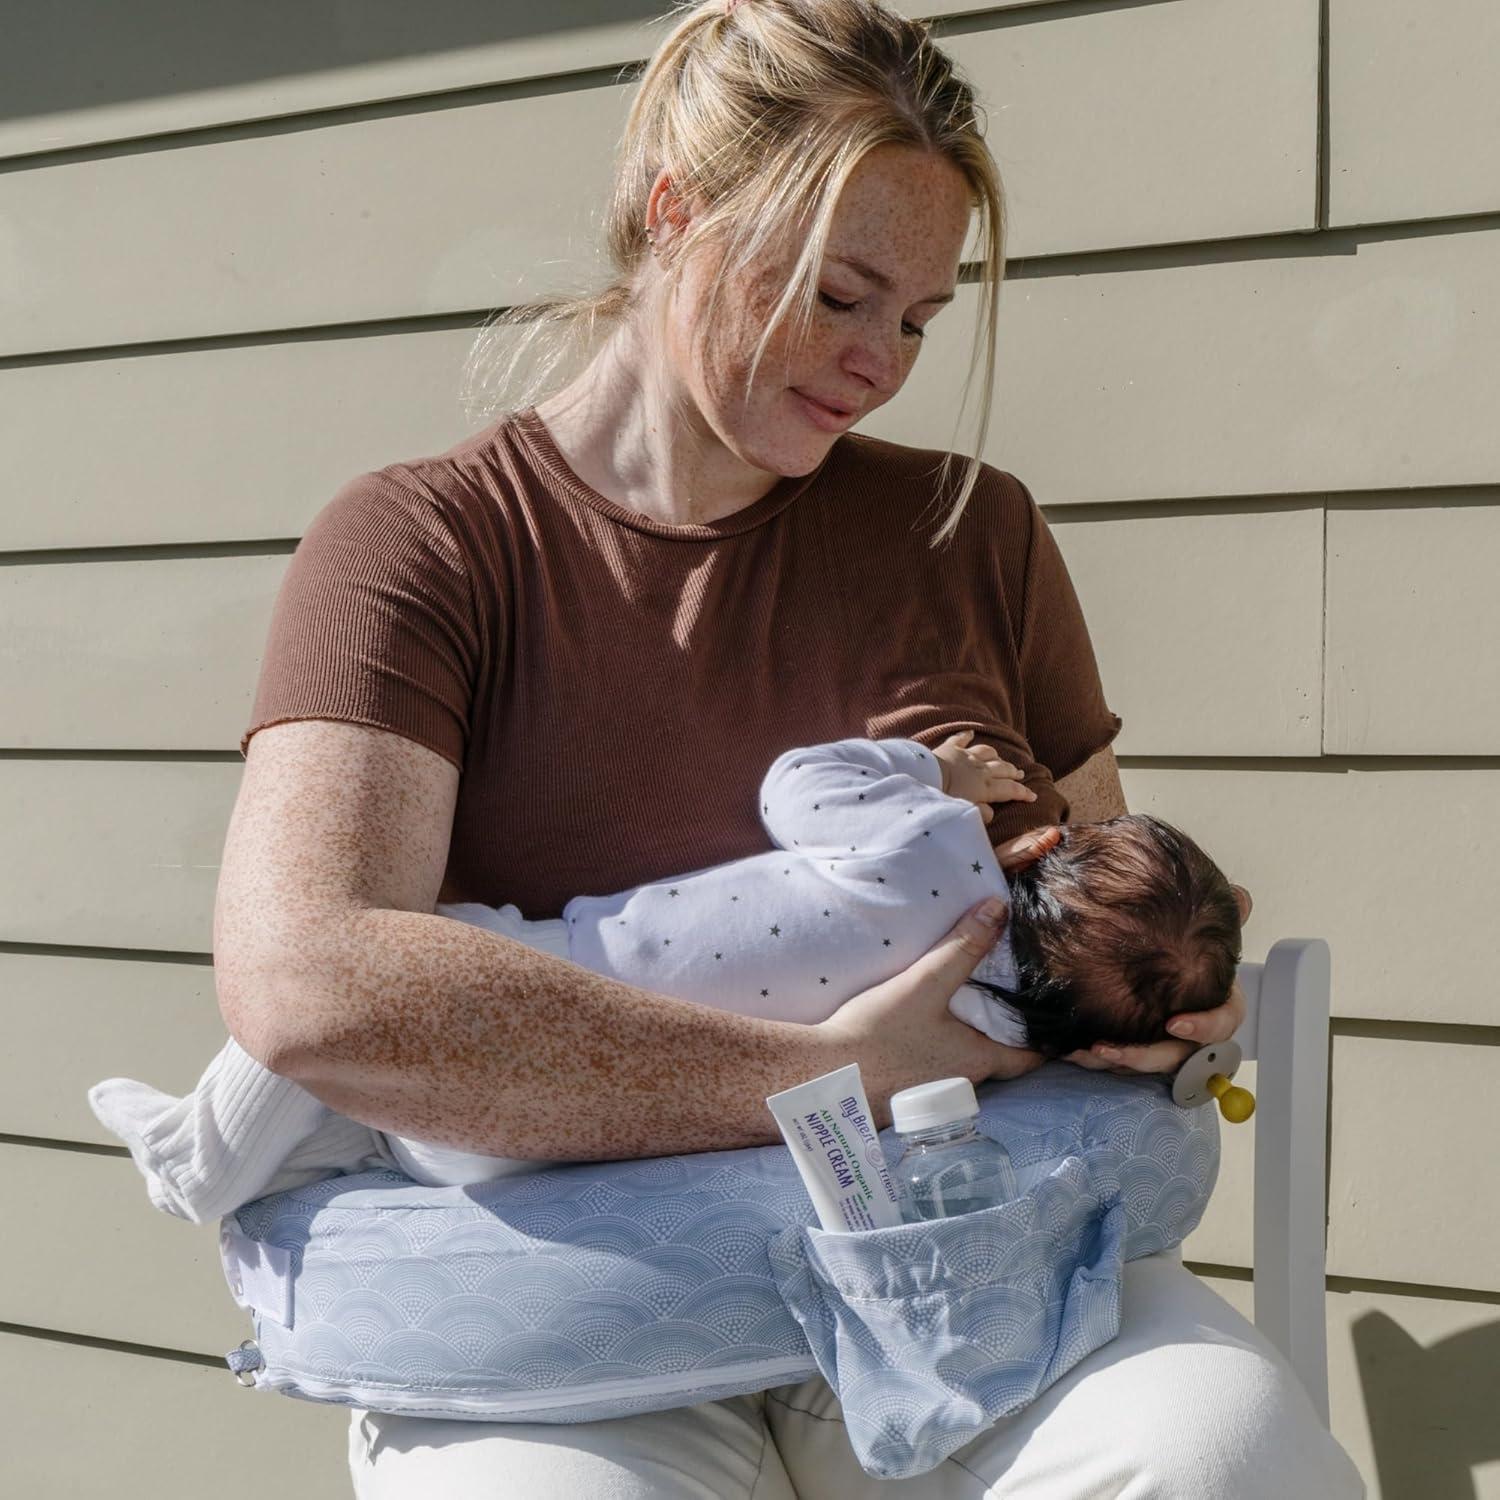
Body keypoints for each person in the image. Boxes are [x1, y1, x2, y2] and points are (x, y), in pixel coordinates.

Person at [213, 0, 1364, 1493]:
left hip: (959, 1258)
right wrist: (822, 1073)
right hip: (584, 1322)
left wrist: (1147, 1000)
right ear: (679, 211)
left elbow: (1071, 905)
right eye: (839, 294)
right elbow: (310, 986)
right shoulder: (429, 546)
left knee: (1227, 1457)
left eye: (919, 319)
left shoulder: (974, 531)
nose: (881, 359)